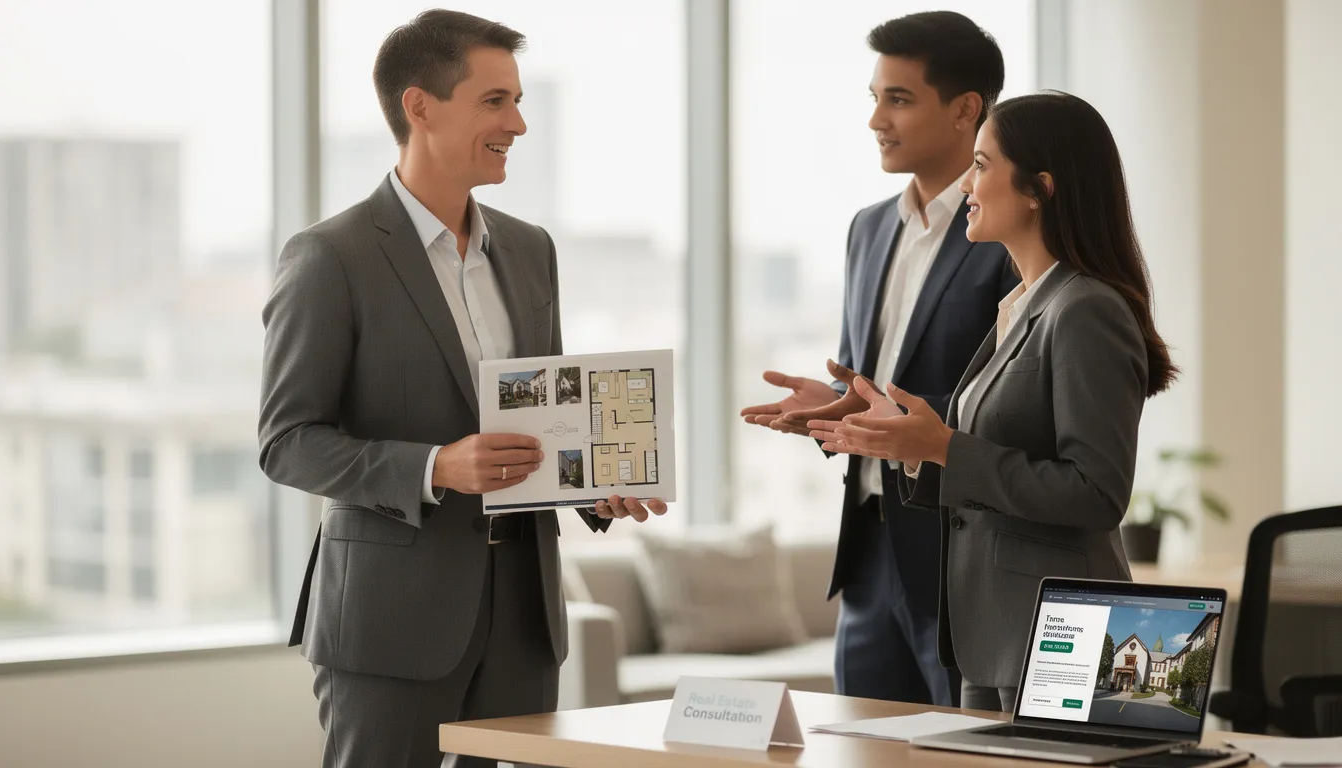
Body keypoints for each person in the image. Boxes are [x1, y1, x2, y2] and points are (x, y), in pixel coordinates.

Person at [257, 10, 665, 767]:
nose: (518, 122)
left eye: (518, 100)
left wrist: (591, 484)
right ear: (419, 106)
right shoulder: (329, 256)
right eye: (495, 101)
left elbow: (545, 419)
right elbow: (287, 444)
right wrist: (435, 467)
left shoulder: (529, 249)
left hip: (522, 613)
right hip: (391, 615)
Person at [807, 91, 1178, 713]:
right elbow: (986, 462)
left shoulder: (1085, 308)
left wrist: (946, 447)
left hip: (1061, 633)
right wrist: (913, 446)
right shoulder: (1021, 306)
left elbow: (1096, 493)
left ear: (1038, 189)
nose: (968, 185)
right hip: (995, 632)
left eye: (981, 166)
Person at [739, 11, 1017, 708]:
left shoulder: (1009, 236)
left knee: (964, 756)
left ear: (964, 112)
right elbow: (869, 383)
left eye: (898, 99)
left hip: (960, 559)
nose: (876, 121)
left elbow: (1019, 408)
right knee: (863, 749)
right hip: (867, 552)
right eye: (875, 99)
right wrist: (834, 411)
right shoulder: (867, 229)